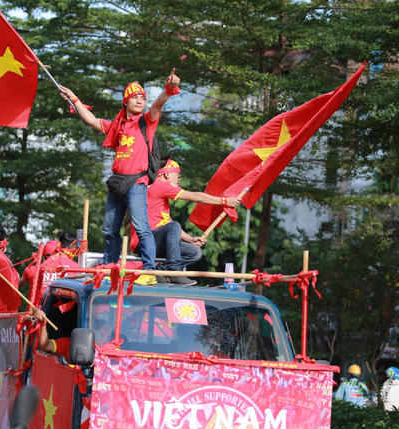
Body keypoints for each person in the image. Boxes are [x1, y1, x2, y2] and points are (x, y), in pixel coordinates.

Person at [59, 70, 182, 285]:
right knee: (109, 228)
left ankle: (149, 268)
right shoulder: (118, 126)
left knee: (142, 228)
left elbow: (158, 105)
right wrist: (74, 99)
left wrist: (168, 89)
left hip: (137, 183)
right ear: (125, 101)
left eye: (142, 97)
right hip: (117, 182)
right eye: (135, 97)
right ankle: (110, 264)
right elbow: (91, 120)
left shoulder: (146, 121)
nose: (140, 100)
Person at [130, 158, 240, 285]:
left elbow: (166, 221)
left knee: (194, 252)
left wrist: (189, 238)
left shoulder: (155, 190)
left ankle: (160, 270)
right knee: (174, 225)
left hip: (154, 241)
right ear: (166, 174)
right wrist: (224, 201)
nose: (179, 179)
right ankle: (173, 272)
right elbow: (195, 197)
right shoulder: (159, 185)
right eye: (178, 175)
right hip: (145, 242)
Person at [22, 232, 79, 306]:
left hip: (42, 312)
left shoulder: (43, 266)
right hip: (65, 314)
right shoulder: (77, 267)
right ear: (73, 248)